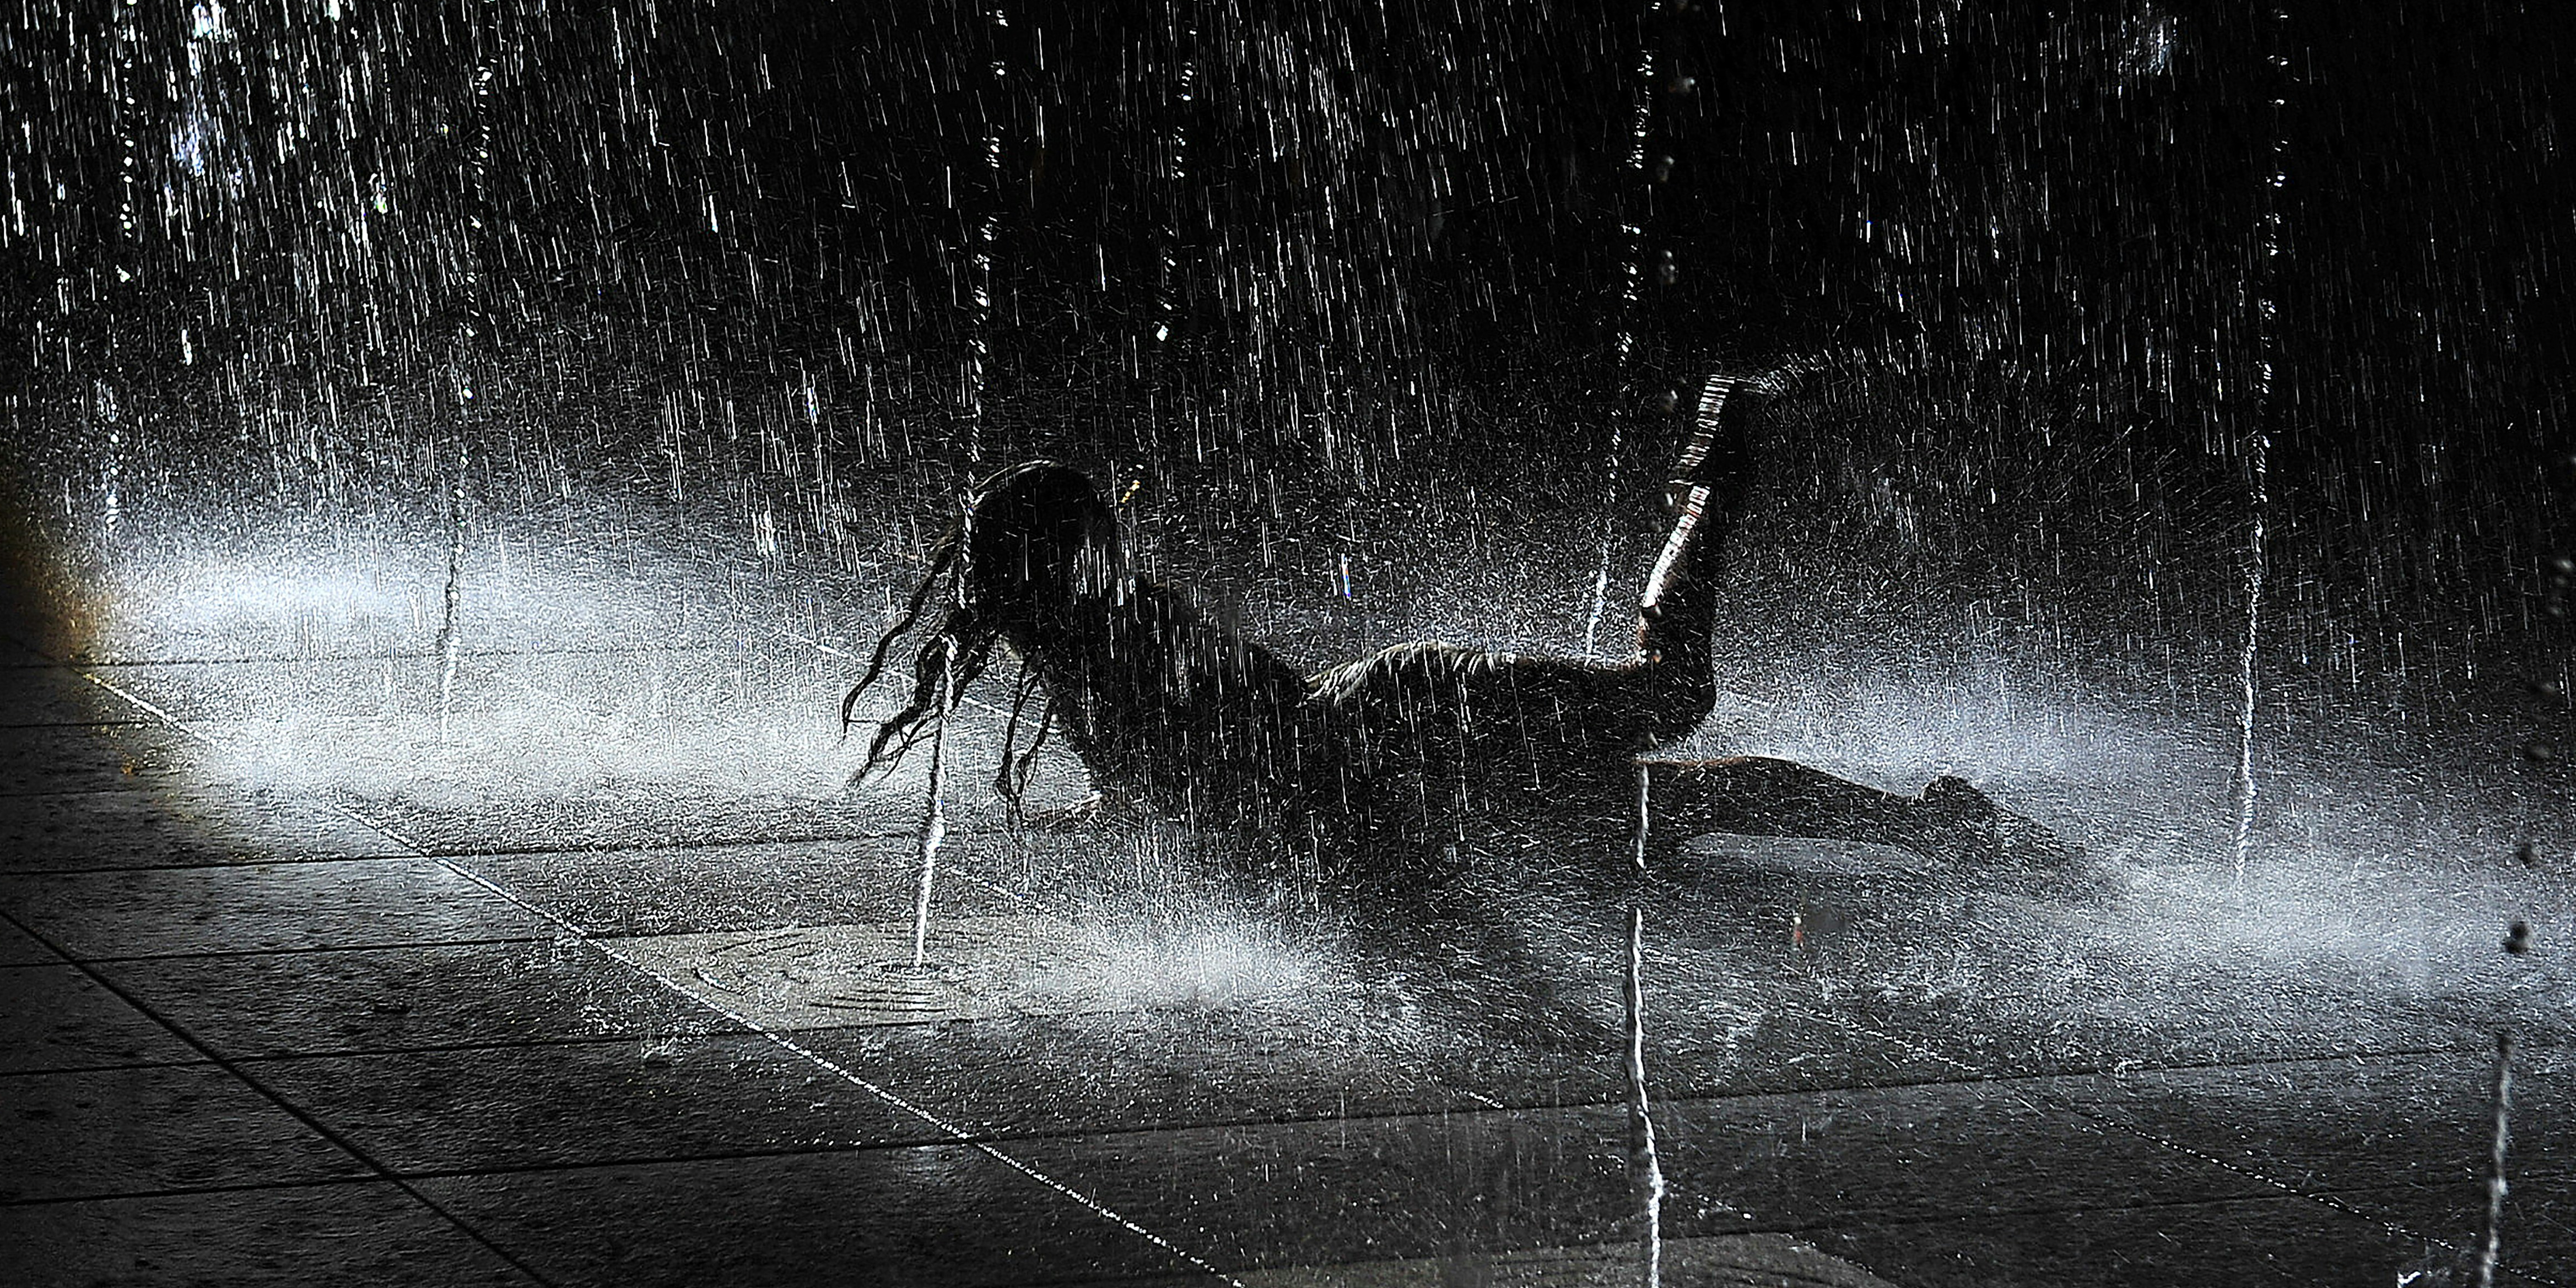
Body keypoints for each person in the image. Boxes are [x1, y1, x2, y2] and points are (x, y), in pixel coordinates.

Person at [842, 374, 2007, 873]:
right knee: (1671, 814)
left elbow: (1214, 775)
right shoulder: (1073, 642)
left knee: (1667, 704)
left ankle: (1713, 479)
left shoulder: (1123, 633)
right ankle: (1933, 828)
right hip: (1407, 768)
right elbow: (1177, 787)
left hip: (1410, 721)